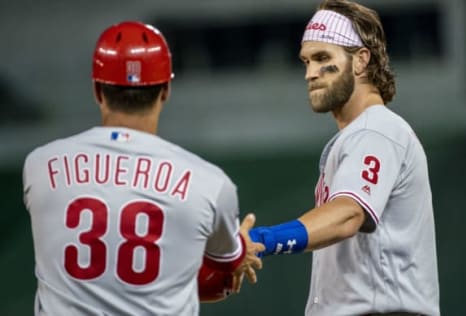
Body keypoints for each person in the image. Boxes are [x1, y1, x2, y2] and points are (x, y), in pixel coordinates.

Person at [22, 21, 264, 316]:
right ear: (165, 91)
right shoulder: (210, 183)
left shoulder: (40, 165)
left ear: (98, 90)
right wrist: (241, 249)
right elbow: (225, 268)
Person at [248, 1, 440, 315]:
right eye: (306, 61)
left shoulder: (378, 128)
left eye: (323, 58)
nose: (310, 73)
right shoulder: (359, 135)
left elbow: (349, 214)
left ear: (361, 60)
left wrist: (262, 240)